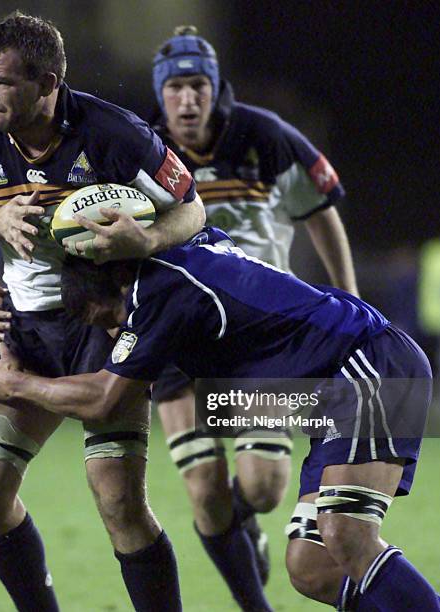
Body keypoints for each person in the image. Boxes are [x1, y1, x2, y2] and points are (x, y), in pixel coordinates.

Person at [0, 239, 440, 612]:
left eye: (111, 319)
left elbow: (102, 399)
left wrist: (15, 385)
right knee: (313, 567)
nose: (115, 333)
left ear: (120, 279)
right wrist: (11, 317)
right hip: (325, 394)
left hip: (366, 364)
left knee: (344, 532)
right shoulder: (174, 264)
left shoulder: (160, 294)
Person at [0, 12, 206, 612]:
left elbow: (191, 208)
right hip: (24, 329)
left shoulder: (113, 133)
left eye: (3, 82)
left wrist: (147, 240)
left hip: (105, 326)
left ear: (48, 82)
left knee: (118, 503)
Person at [148, 24, 358, 598]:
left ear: (217, 90)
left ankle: (243, 521)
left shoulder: (265, 137)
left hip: (257, 337)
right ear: (160, 94)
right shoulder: (141, 152)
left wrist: (348, 299)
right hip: (175, 333)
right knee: (204, 490)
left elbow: (321, 209)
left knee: (263, 488)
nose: (188, 99)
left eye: (198, 86)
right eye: (176, 88)